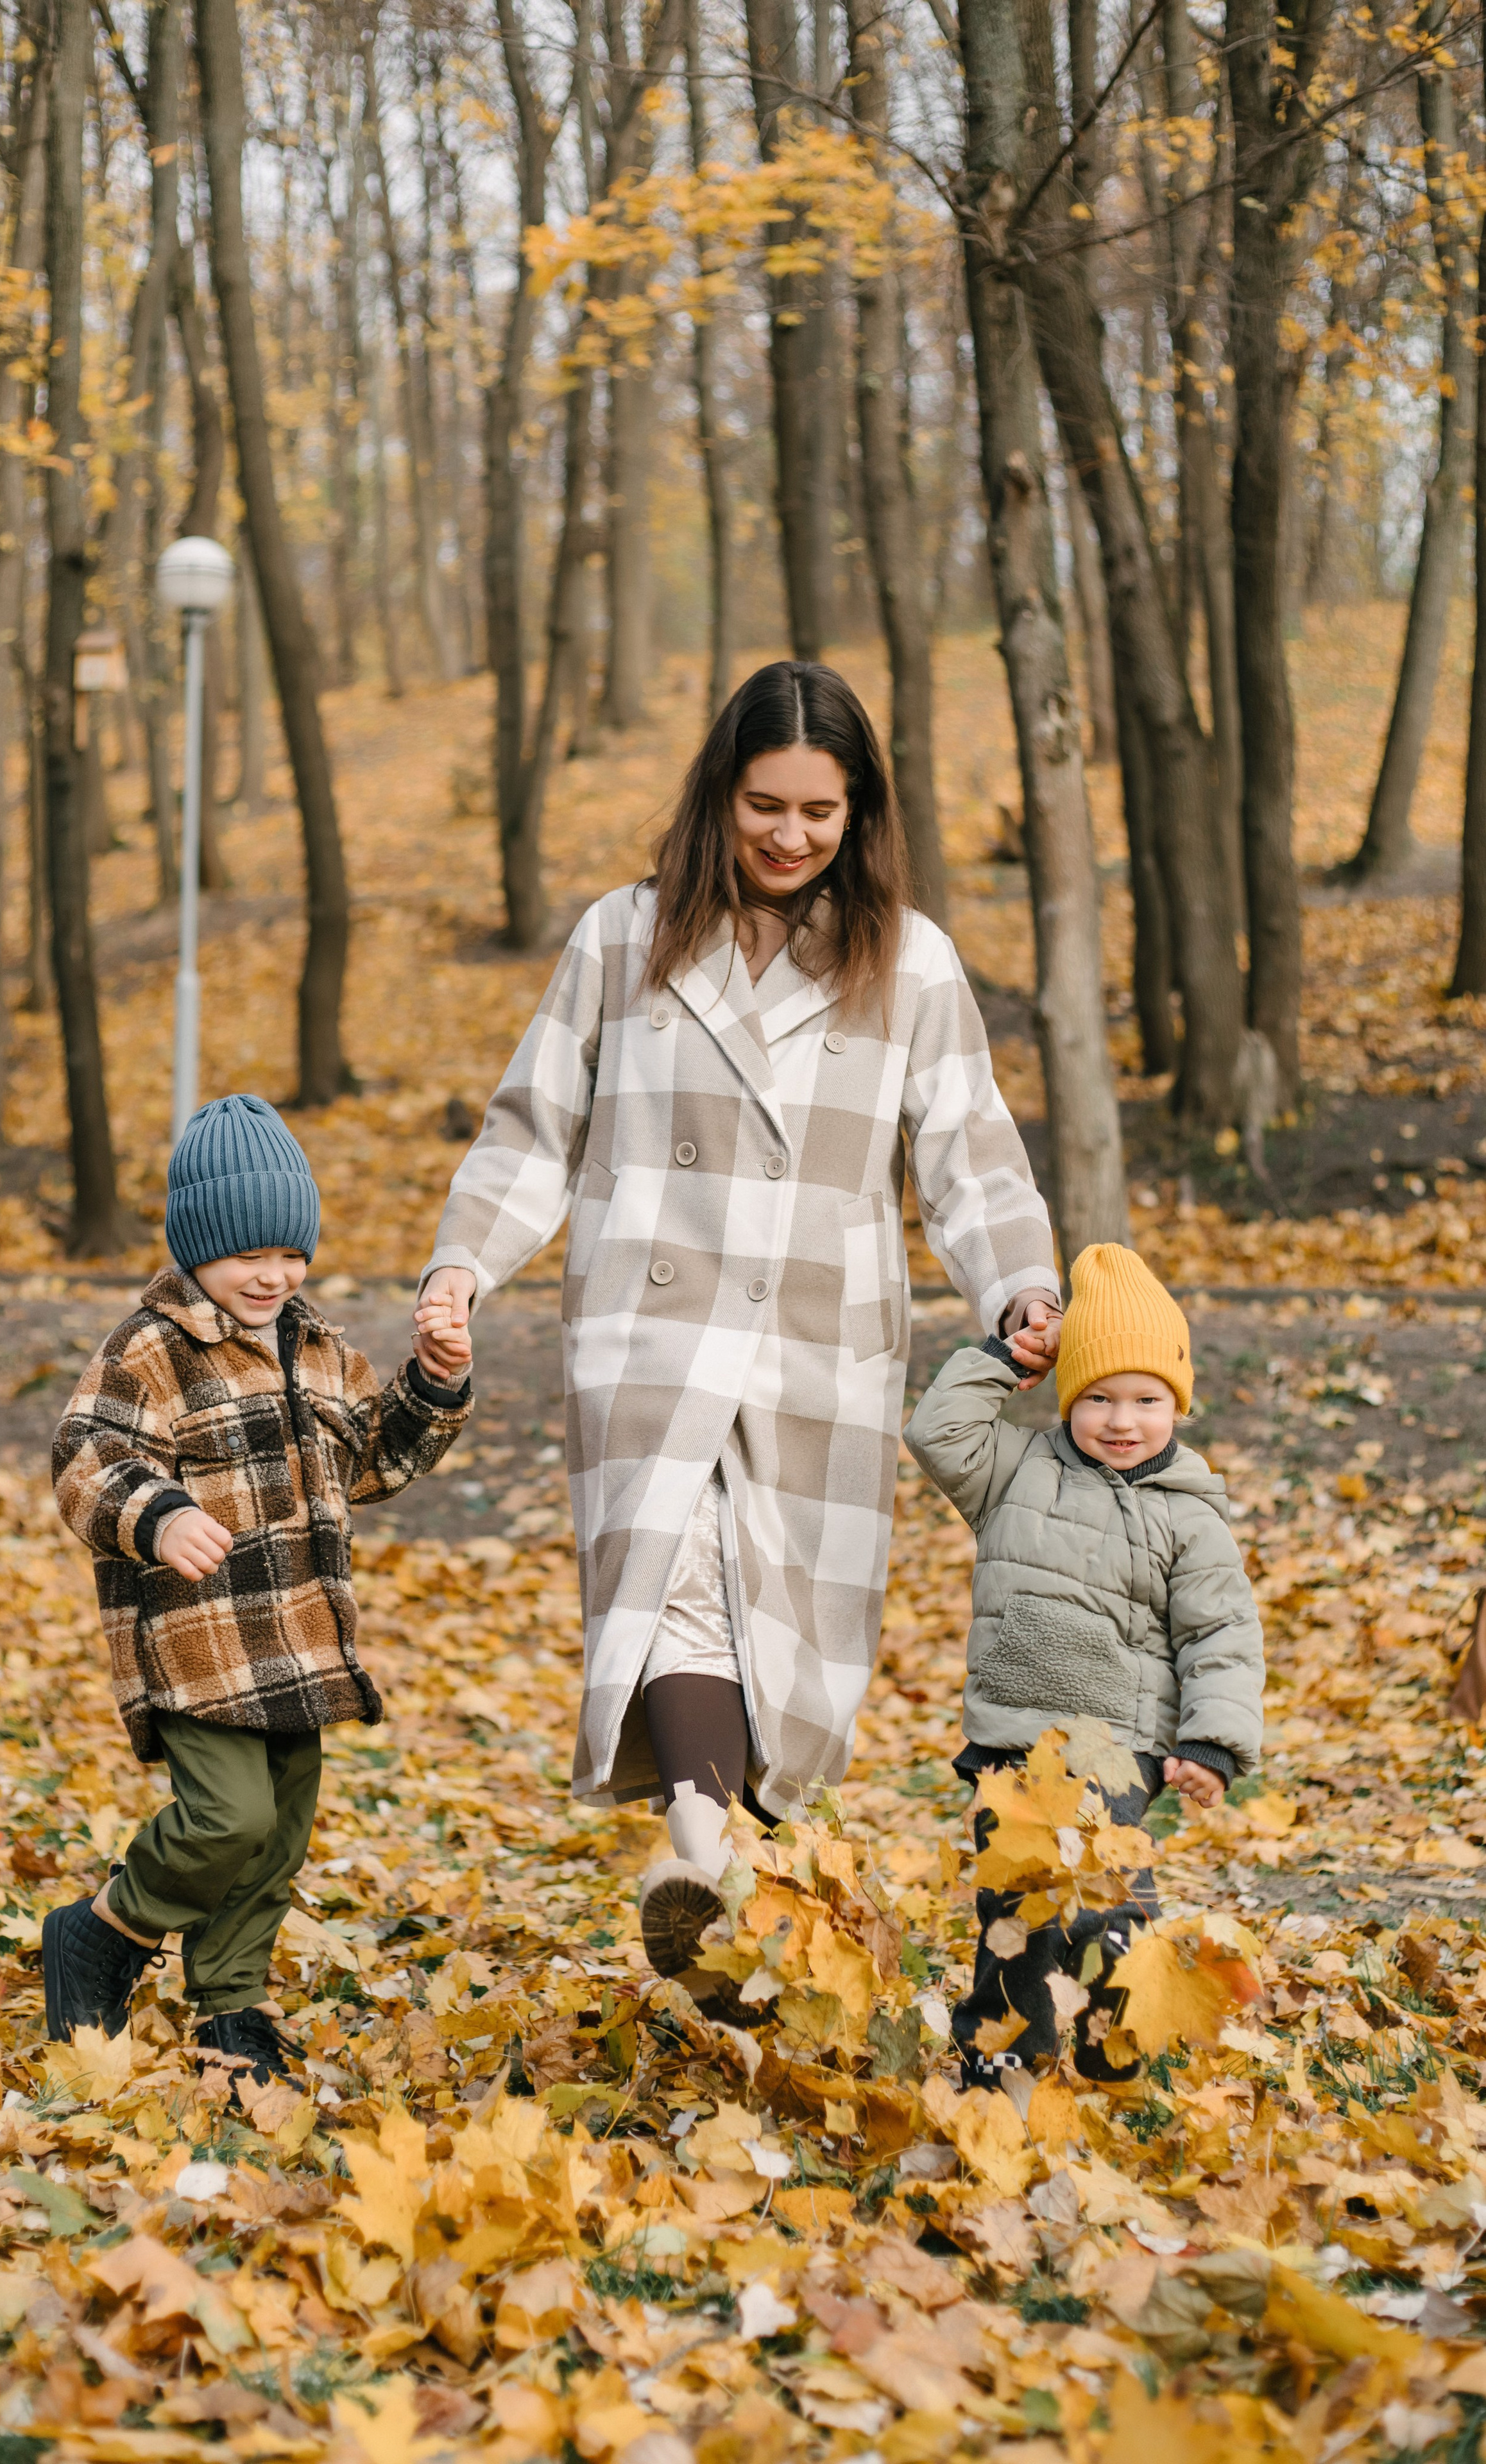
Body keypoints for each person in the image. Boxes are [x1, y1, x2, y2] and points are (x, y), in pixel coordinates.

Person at [412, 660, 1063, 2002]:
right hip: (648, 1332)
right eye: (763, 805)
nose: (787, 837)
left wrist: (1016, 1288)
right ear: (719, 796)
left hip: (821, 1342)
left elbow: (970, 1161)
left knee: (790, 1635)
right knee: (674, 1573)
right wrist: (461, 1269)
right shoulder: (620, 937)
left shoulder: (910, 962)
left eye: (818, 813)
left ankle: (729, 1902)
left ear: (858, 812)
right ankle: (695, 1854)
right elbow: (534, 1125)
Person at [47, 1093, 472, 2079]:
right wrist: (157, 1513)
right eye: (250, 1256)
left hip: (302, 1643)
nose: (274, 1275)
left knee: (275, 1841)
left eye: (292, 1254)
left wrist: (434, 1385)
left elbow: (375, 1459)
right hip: (204, 1647)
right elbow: (82, 1454)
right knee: (224, 1819)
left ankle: (228, 2011)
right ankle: (104, 1928)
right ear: (198, 1247)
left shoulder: (317, 1348)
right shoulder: (154, 1350)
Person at [904, 1241, 1265, 2088]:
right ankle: (1001, 2059)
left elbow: (1222, 1635)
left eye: (1147, 1399)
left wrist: (1211, 1744)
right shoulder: (1017, 1471)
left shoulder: (1190, 1518)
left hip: (1117, 1746)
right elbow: (936, 1431)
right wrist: (1007, 1361)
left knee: (1106, 1903)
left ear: (1177, 1402)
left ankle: (1120, 2037)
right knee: (1020, 1914)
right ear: (1068, 1396)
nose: (1122, 1419)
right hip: (1012, 1743)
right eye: (1098, 1396)